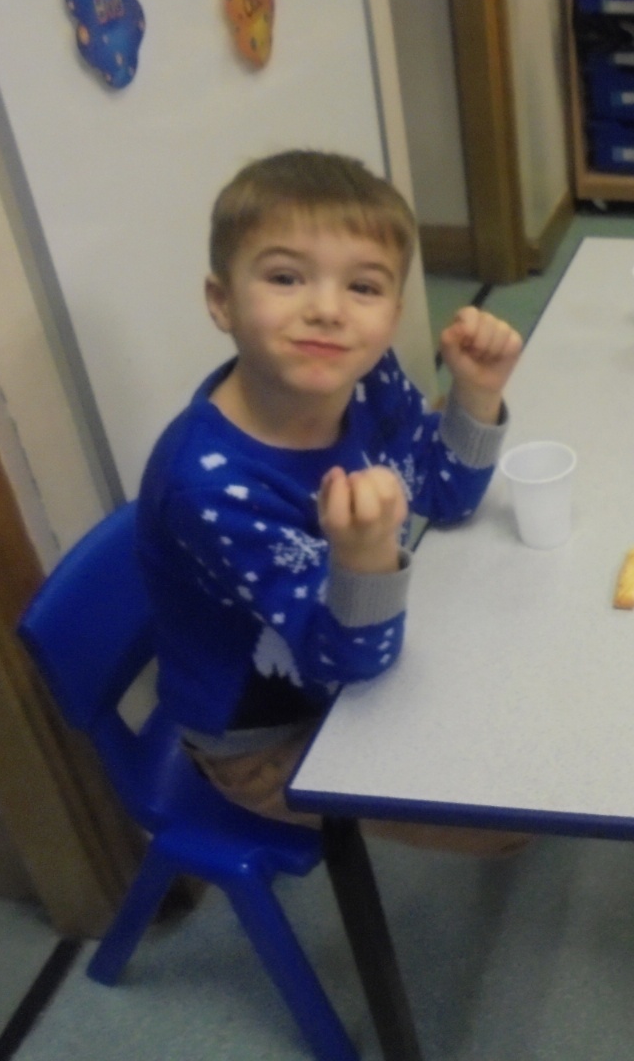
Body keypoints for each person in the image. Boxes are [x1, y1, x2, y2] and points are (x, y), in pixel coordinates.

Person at [136, 150, 528, 854]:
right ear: (222, 300)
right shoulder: (211, 487)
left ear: (393, 316)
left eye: (363, 287)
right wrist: (365, 555)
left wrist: (476, 391)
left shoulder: (366, 378)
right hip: (266, 740)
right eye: (286, 277)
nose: (327, 310)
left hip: (359, 651)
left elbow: (445, 493)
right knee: (505, 817)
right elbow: (349, 660)